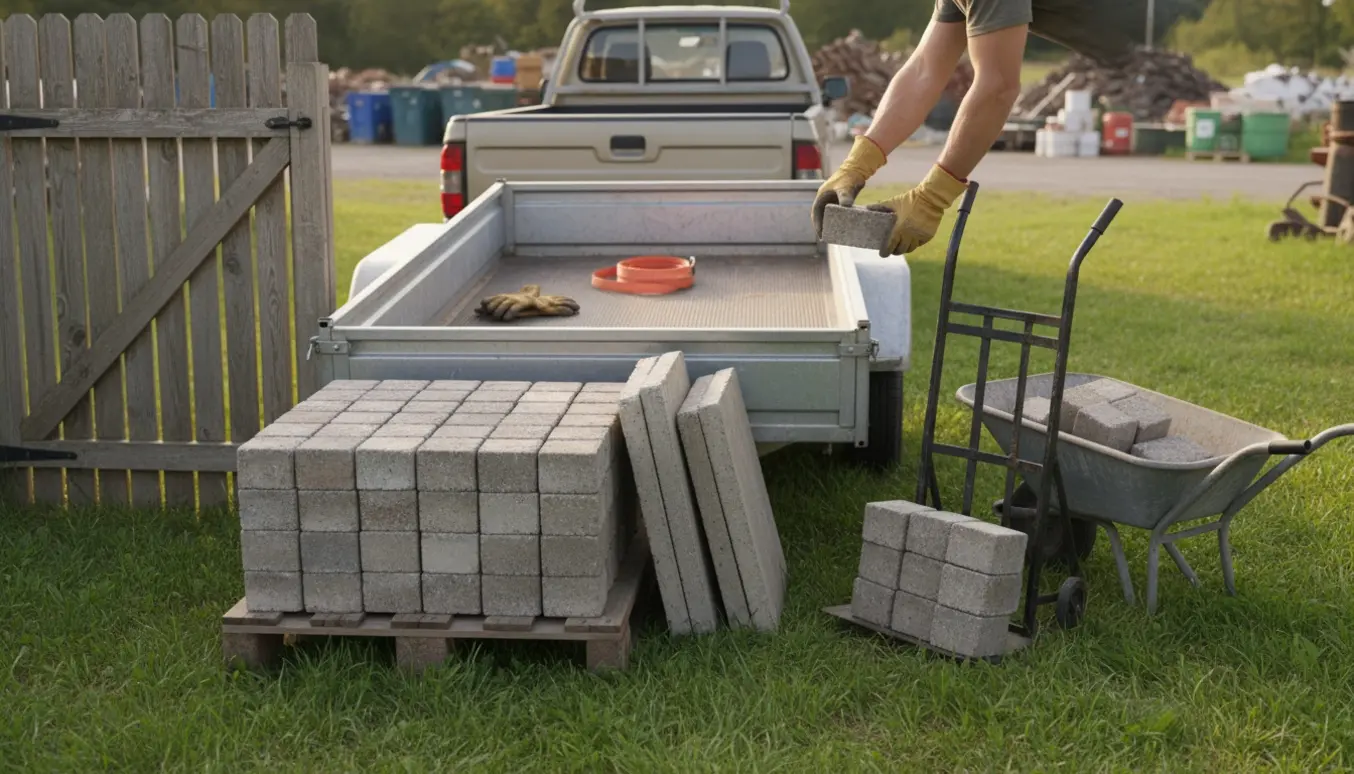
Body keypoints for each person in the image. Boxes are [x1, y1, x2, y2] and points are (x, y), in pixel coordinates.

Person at [812, 0, 1145, 256]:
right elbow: (925, 70)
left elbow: (997, 87)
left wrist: (932, 197)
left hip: (1148, 59)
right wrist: (857, 164)